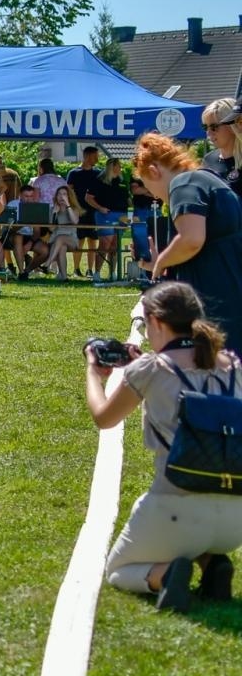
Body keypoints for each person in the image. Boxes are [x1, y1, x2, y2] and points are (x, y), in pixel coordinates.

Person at [88, 281, 242, 612]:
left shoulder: (150, 369)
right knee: (200, 533)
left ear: (156, 322)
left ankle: (169, 574)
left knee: (118, 572)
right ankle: (212, 563)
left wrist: (92, 373)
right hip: (235, 516)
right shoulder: (233, 365)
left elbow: (104, 418)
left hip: (174, 506)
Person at [133, 133, 242, 353]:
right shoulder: (208, 180)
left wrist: (161, 262)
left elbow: (192, 239)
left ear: (154, 171)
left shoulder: (184, 183)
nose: (155, 197)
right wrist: (162, 261)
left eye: (149, 188)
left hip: (215, 301)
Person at [67, 146, 107, 277]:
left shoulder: (98, 173)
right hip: (79, 211)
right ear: (87, 156)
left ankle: (90, 269)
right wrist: (75, 207)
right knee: (79, 240)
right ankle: (76, 269)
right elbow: (69, 192)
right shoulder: (74, 173)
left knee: (92, 241)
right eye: (96, 156)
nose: (97, 159)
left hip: (94, 211)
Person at [93, 158, 131, 279]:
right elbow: (88, 198)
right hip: (105, 215)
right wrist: (100, 208)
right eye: (119, 165)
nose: (121, 167)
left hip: (121, 215)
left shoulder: (122, 181)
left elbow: (128, 199)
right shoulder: (100, 181)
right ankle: (97, 272)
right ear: (112, 166)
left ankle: (113, 273)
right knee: (105, 244)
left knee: (115, 244)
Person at [200, 97, 242, 199]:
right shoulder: (208, 159)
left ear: (233, 126)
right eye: (205, 127)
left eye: (214, 127)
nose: (208, 133)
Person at [42, 185, 80, 281]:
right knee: (62, 246)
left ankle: (48, 263)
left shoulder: (74, 209)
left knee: (61, 238)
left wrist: (67, 205)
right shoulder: (52, 210)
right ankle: (63, 276)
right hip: (55, 241)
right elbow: (50, 229)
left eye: (64, 194)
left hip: (71, 239)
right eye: (59, 194)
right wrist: (54, 214)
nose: (61, 197)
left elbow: (75, 221)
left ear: (69, 196)